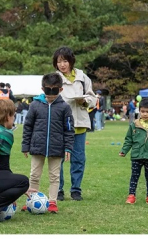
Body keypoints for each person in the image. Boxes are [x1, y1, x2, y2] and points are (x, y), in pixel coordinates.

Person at [21, 73, 75, 213]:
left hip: (57, 148)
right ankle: (32, 200)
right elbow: (28, 126)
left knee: (55, 176)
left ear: (61, 90)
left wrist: (68, 148)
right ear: (42, 89)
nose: (51, 94)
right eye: (48, 90)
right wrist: (25, 145)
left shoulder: (65, 107)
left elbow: (69, 130)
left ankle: (52, 201)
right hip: (37, 146)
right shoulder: (35, 105)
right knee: (34, 175)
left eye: (54, 90)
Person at [52, 46, 97, 201]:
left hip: (79, 123)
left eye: (65, 60)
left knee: (78, 158)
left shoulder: (83, 77)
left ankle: (76, 189)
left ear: (71, 61)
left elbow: (93, 98)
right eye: (59, 62)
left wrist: (85, 101)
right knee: (58, 158)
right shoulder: (54, 78)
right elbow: (49, 98)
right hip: (60, 124)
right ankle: (58, 190)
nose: (62, 64)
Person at [119, 98, 148, 205]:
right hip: (137, 155)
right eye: (143, 111)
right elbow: (128, 139)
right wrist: (124, 151)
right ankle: (131, 196)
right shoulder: (134, 125)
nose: (145, 114)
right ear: (139, 111)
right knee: (134, 176)